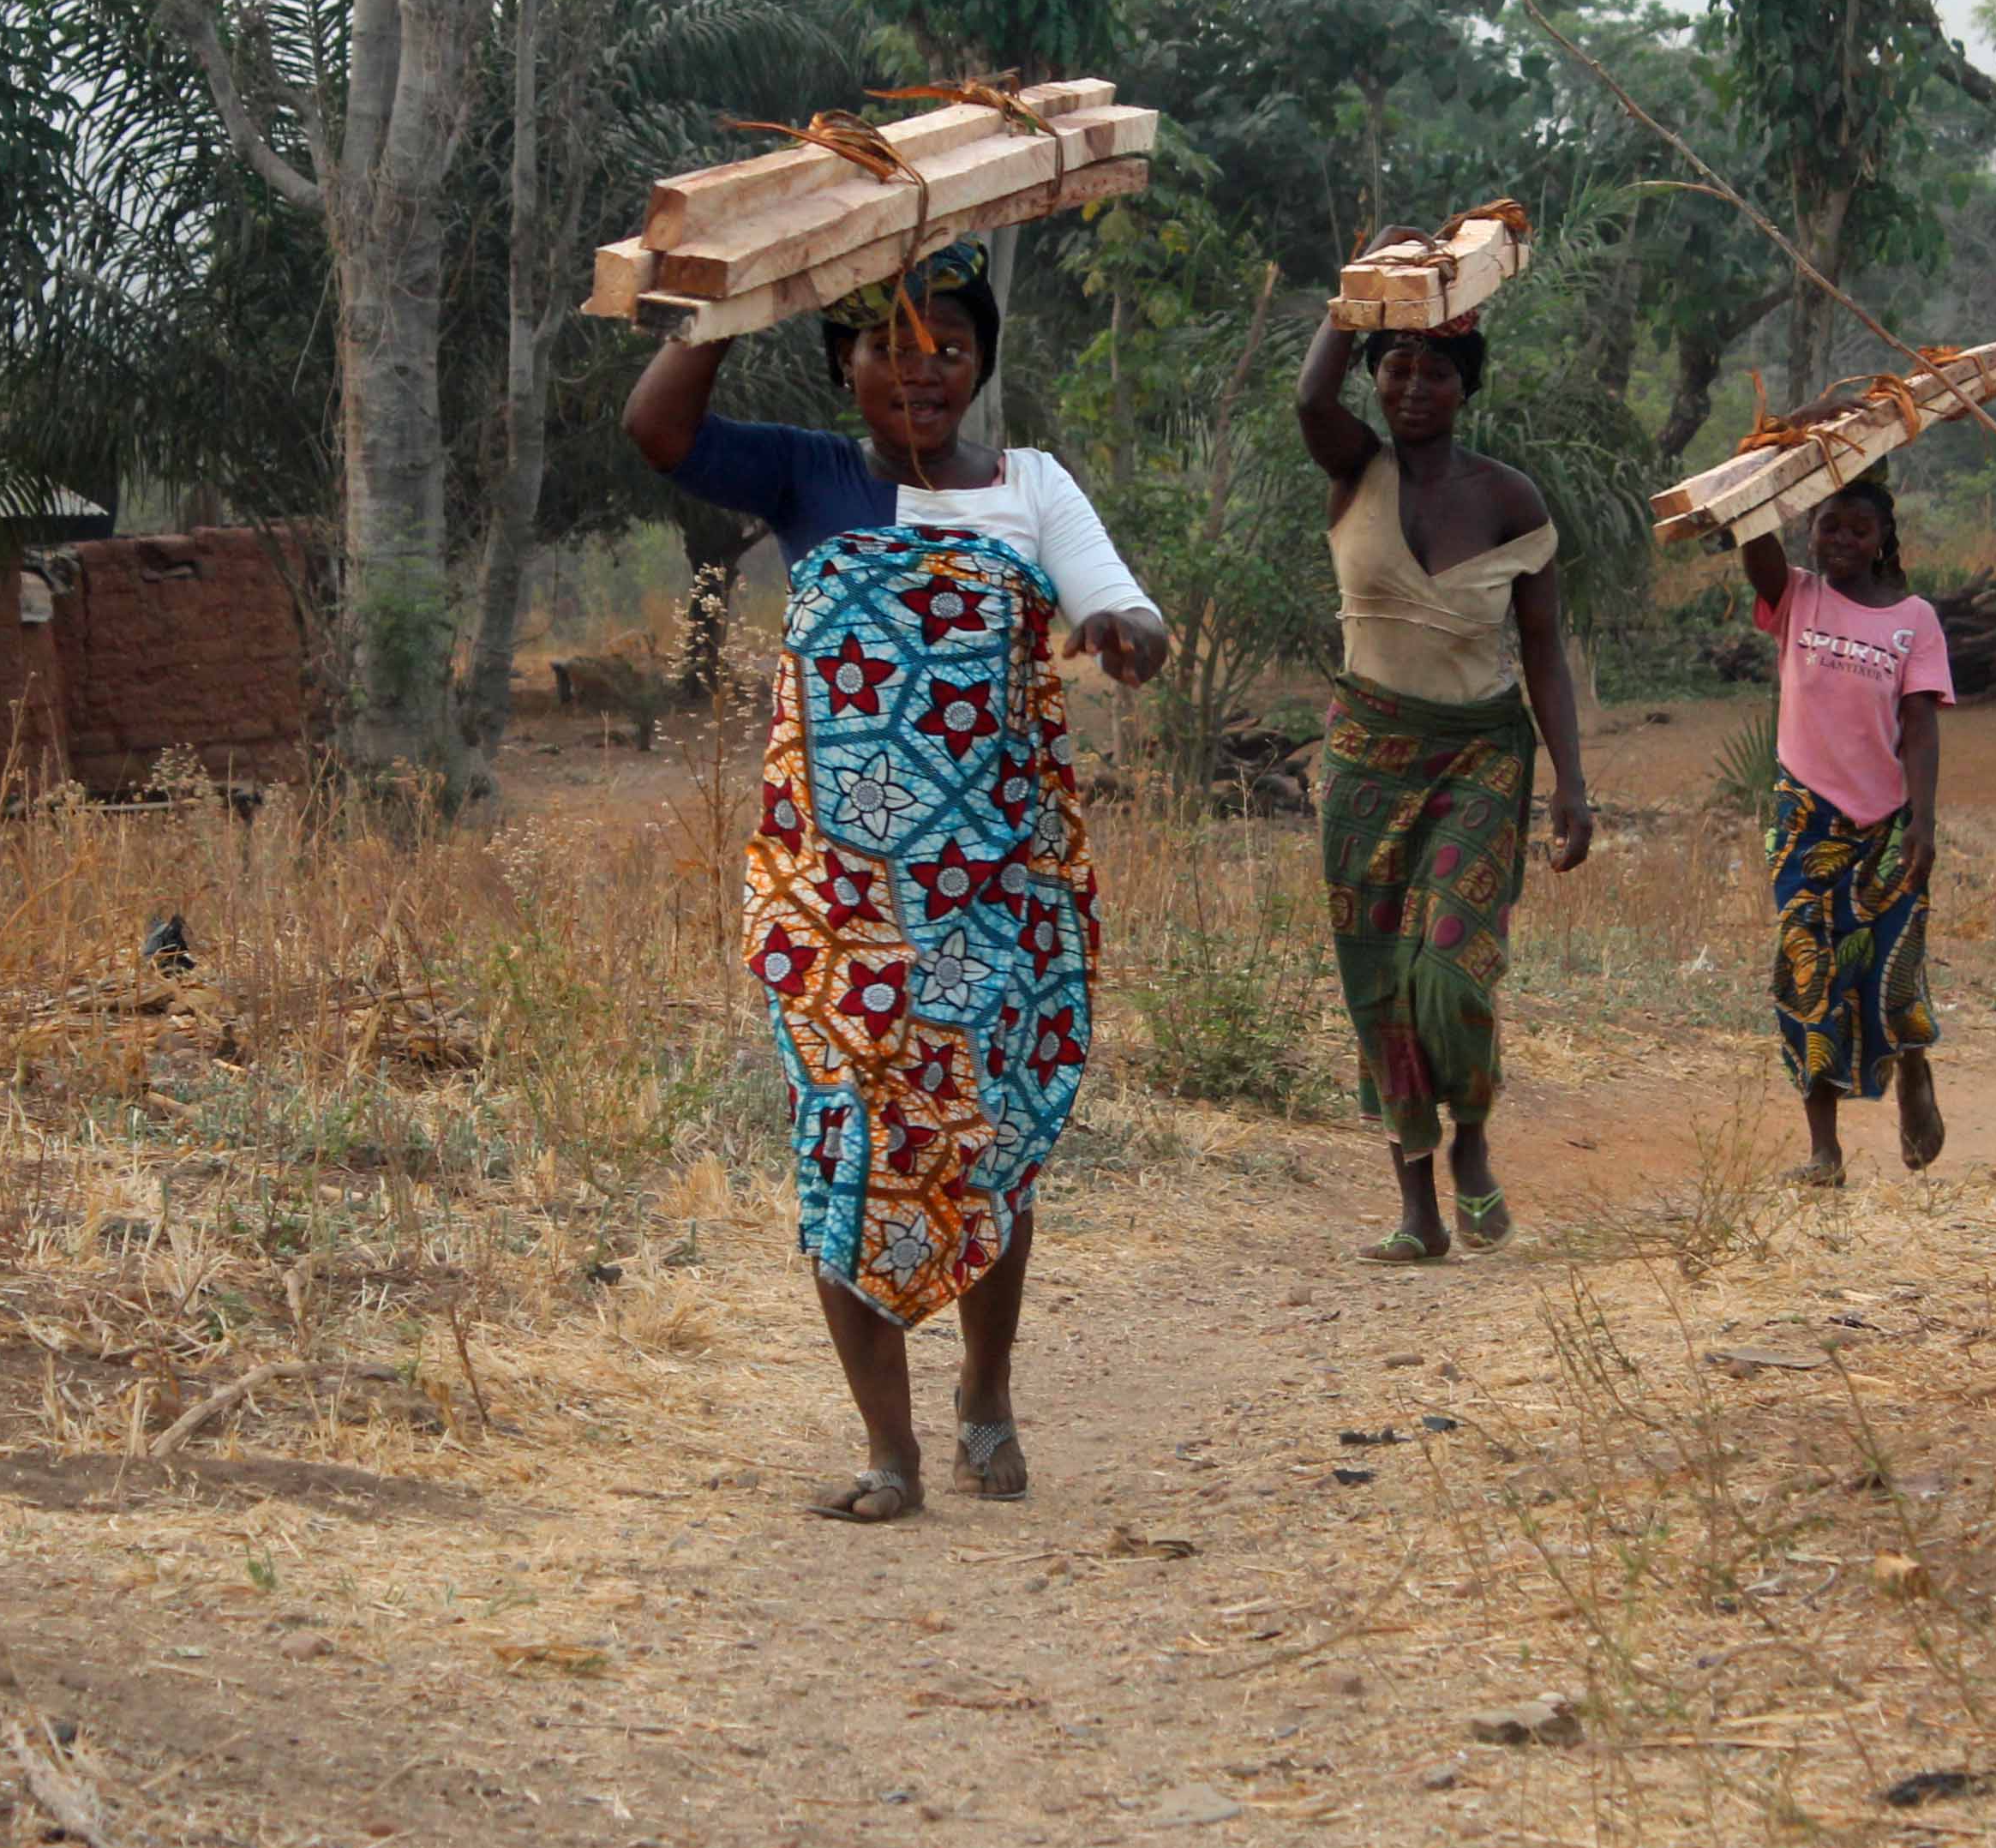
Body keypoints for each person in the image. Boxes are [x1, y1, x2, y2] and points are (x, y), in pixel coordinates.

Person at [623, 243, 1172, 1521]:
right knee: (848, 1141)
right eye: (887, 346)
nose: (920, 373)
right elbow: (657, 425)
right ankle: (890, 1450)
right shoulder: (805, 475)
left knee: (986, 1148)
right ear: (842, 362)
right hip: (845, 902)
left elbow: (1126, 610)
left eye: (949, 349)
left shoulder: (1032, 487)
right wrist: (739, 282)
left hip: (994, 891)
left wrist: (1117, 637)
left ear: (981, 363)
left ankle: (986, 1391)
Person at [1294, 261, 1593, 1263]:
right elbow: (1308, 392)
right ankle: (1417, 1208)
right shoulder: (1352, 470)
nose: (1412, 388)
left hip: (1478, 757)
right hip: (1368, 758)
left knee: (1449, 973)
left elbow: (1544, 651)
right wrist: (1368, 277)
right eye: (1396, 367)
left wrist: (1573, 786)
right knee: (1378, 981)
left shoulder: (1510, 501)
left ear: (1470, 386)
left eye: (1436, 372)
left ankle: (1471, 1140)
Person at [1740, 474, 1950, 1184]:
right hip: (1804, 820)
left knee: (1892, 964)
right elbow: (1750, 534)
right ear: (1811, 530)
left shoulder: (1914, 618)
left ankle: (1914, 1072)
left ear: (1884, 537)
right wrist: (1768, 470)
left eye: (1859, 529)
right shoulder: (1796, 595)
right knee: (1809, 972)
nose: (1843, 541)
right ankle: (1823, 1151)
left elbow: (1920, 726)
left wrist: (1923, 820)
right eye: (1830, 525)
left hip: (1886, 824)